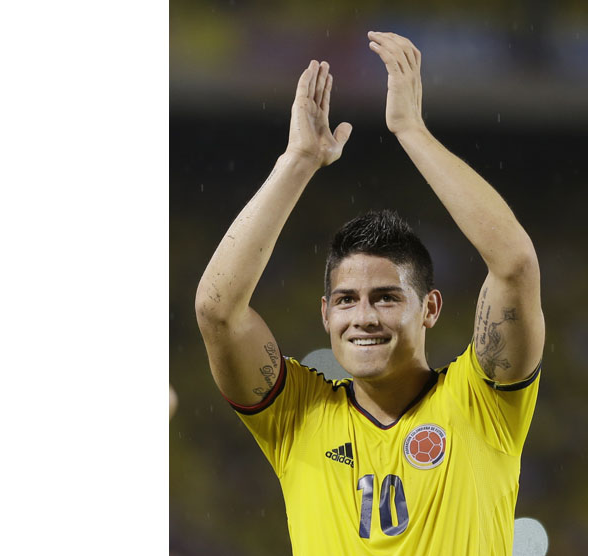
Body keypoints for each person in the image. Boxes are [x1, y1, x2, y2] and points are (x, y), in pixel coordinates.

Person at [195, 31, 545, 555]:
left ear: (429, 307)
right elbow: (217, 310)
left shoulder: (482, 401)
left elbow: (514, 264)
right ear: (324, 313)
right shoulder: (298, 415)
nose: (363, 316)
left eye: (385, 297)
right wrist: (297, 162)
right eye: (345, 300)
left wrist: (411, 130)